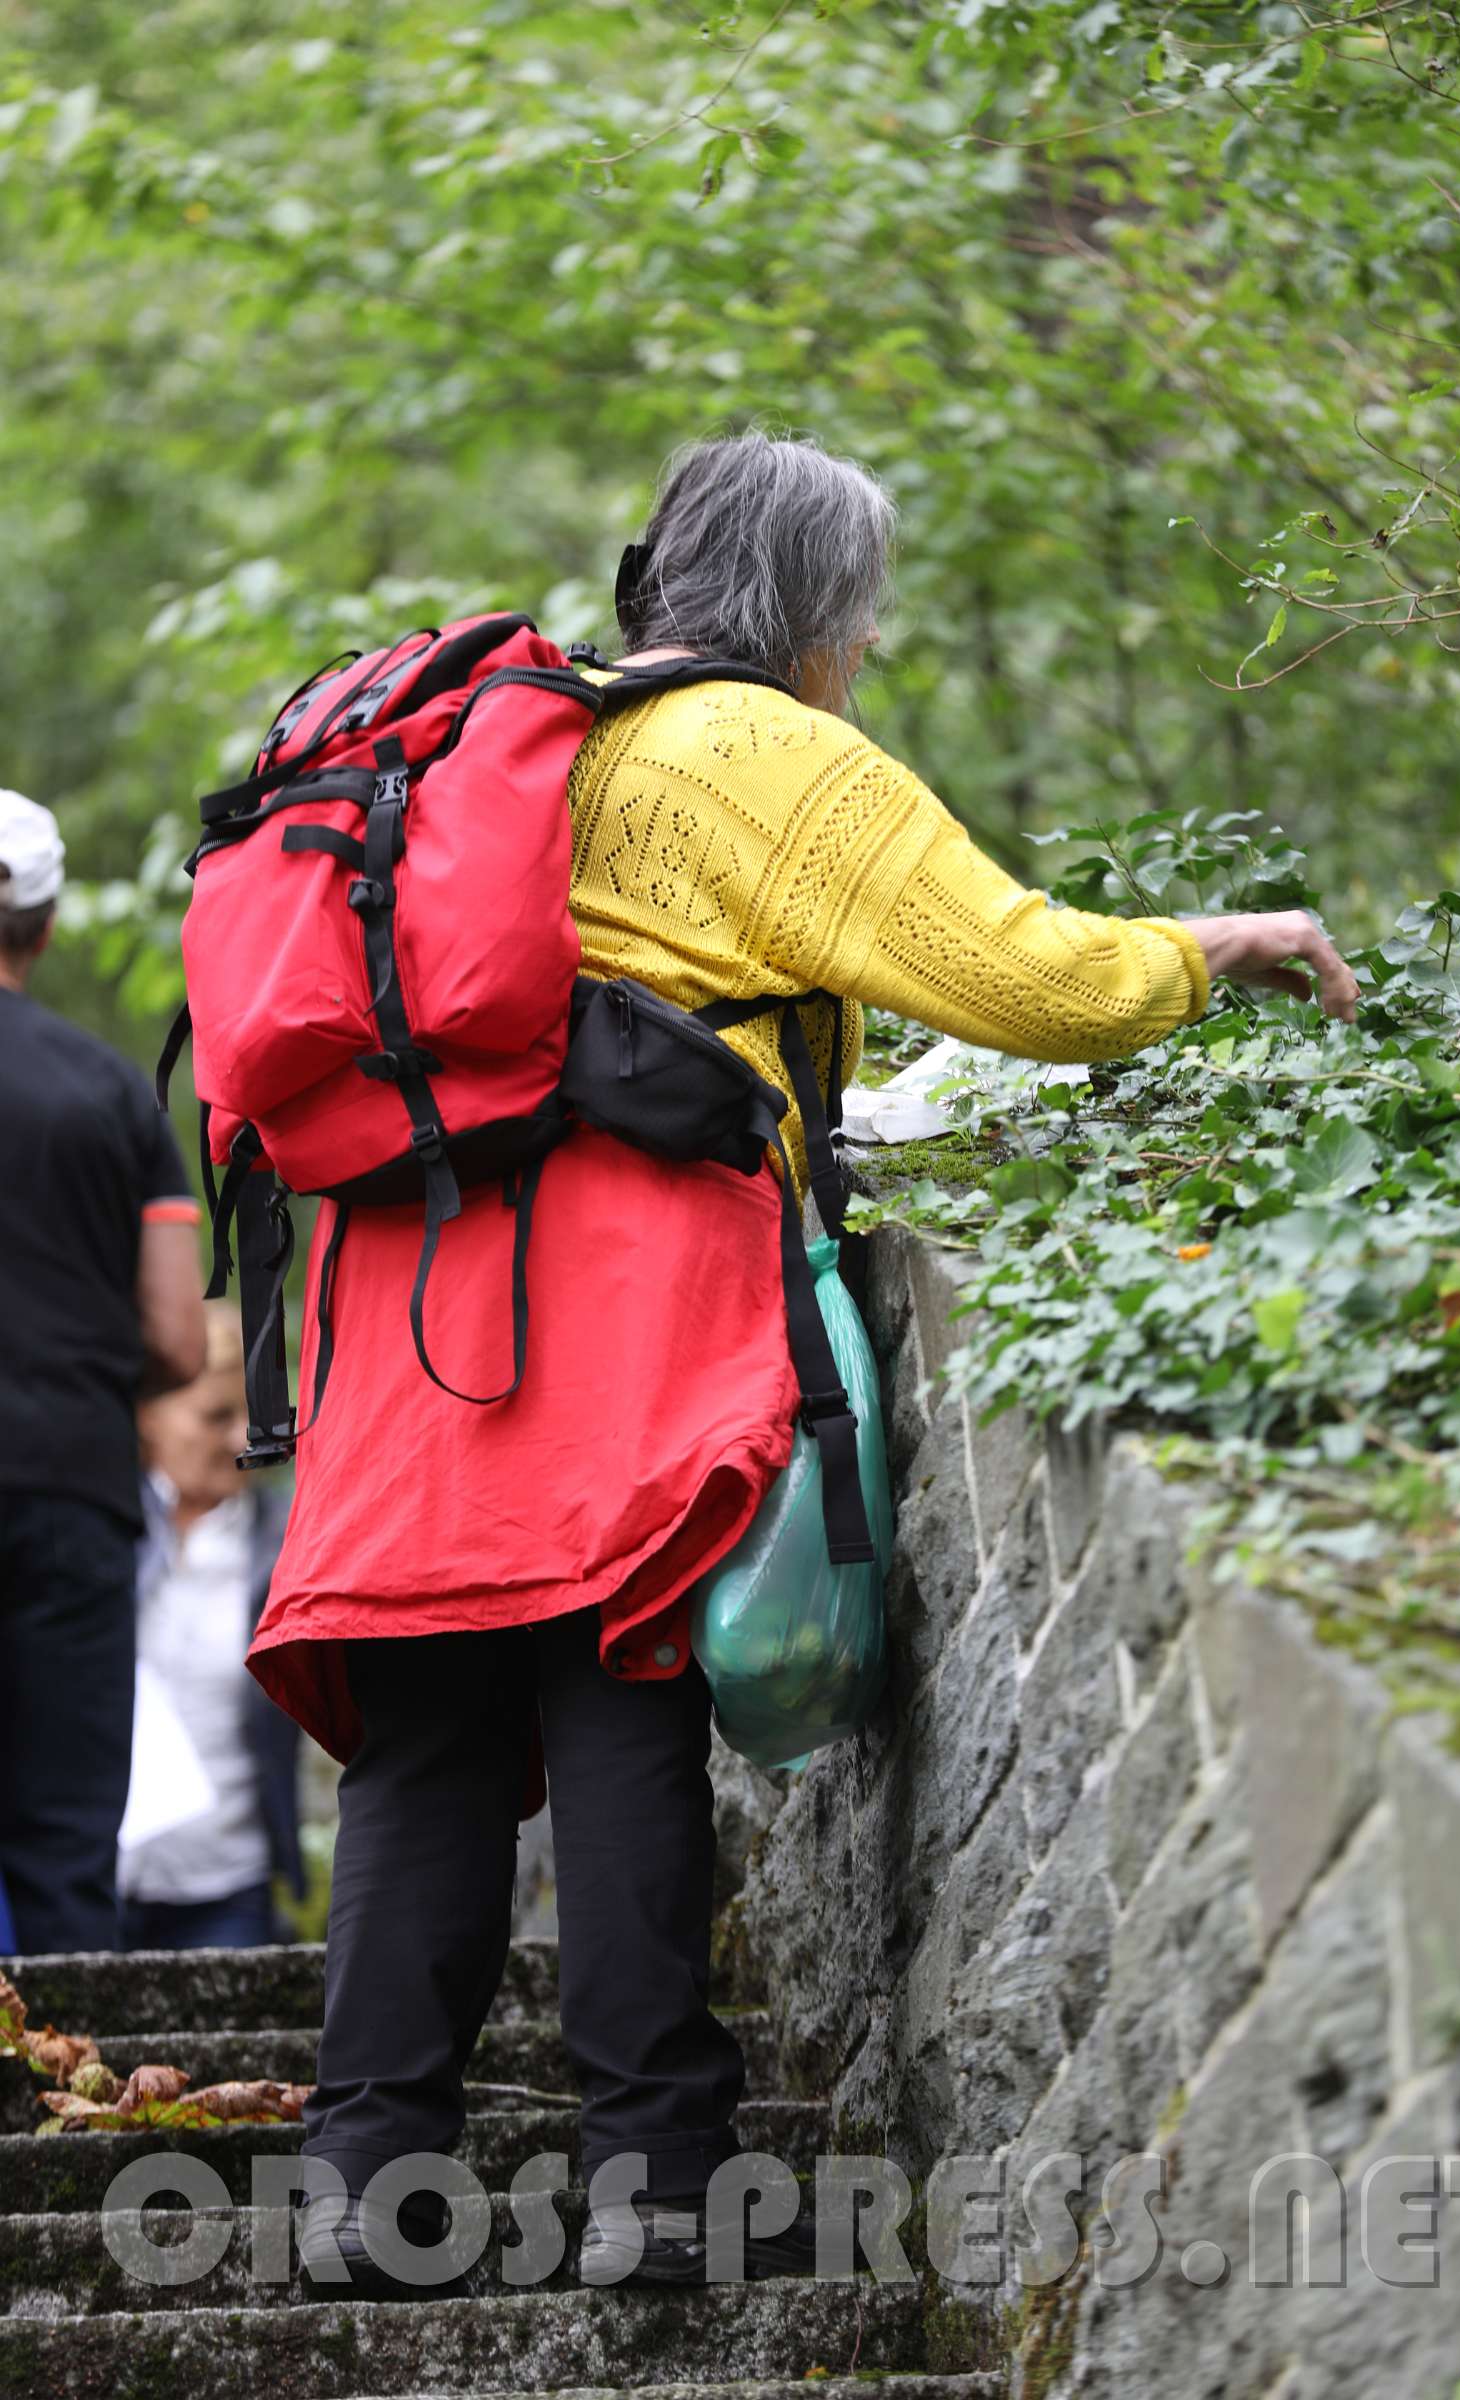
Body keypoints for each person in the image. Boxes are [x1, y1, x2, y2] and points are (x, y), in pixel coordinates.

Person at [249, 433, 1358, 2297]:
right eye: (869, 615)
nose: (872, 648)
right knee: (619, 1684)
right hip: (618, 1284)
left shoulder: (495, 742)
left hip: (410, 1281)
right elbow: (1030, 978)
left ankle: (362, 2188)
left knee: (431, 1726)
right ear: (822, 616)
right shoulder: (765, 755)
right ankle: (656, 2184)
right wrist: (1218, 944)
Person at [0, 788, 207, 1957]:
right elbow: (179, 1339)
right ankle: (64, 2065)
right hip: (71, 1488)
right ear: (44, 923)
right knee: (65, 1839)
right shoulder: (112, 1090)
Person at [119, 1303, 303, 1952]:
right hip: (99, 1875)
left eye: (248, 1421)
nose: (237, 1443)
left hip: (227, 1885)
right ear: (149, 1415)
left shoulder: (284, 1544)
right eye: (214, 1417)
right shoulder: (102, 1533)